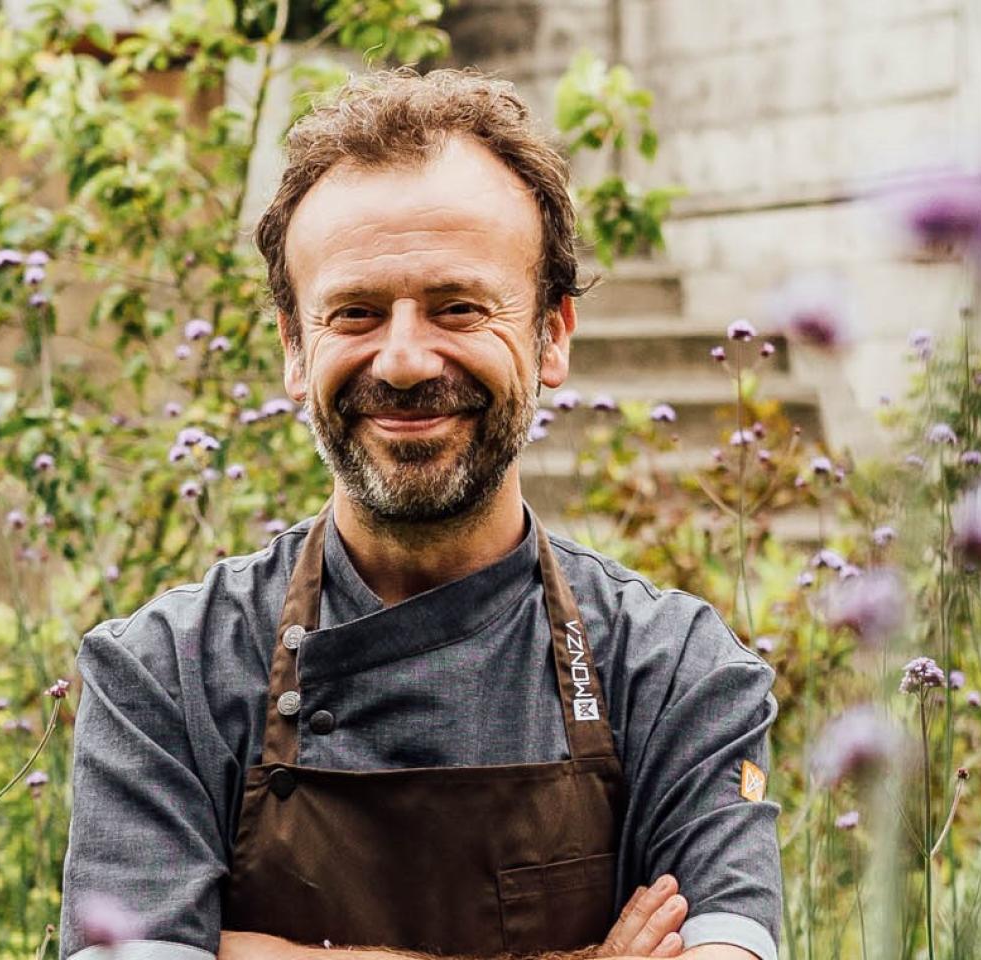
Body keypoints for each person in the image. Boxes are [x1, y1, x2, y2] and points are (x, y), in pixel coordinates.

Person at [59, 68, 781, 960]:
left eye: (459, 307)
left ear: (551, 335)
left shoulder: (676, 673)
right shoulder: (164, 676)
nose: (402, 361)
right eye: (355, 313)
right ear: (294, 347)